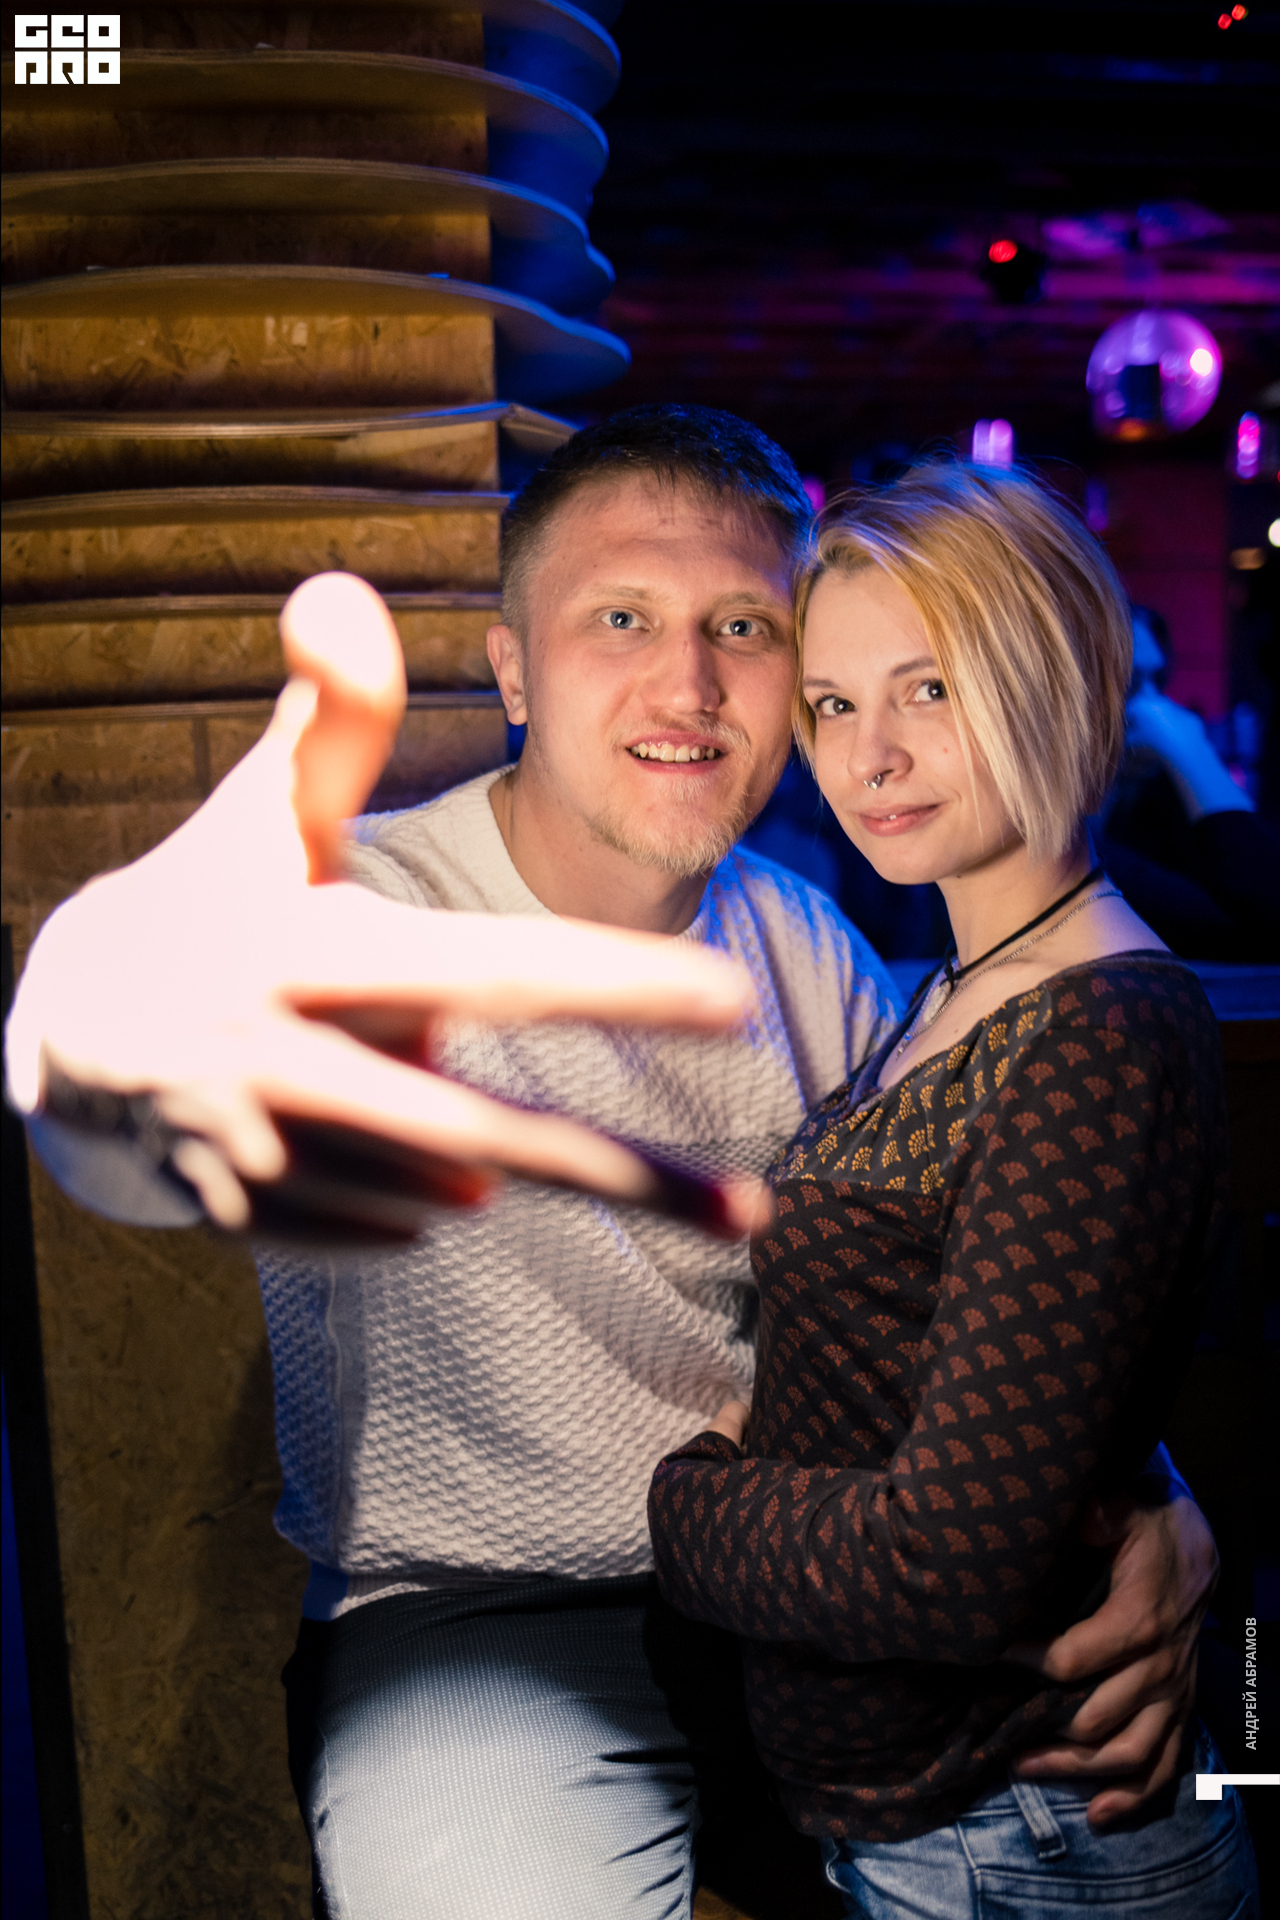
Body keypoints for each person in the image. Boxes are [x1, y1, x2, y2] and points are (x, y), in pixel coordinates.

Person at [7, 410, 1221, 1920]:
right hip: (484, 1621)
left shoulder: (817, 949)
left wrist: (1158, 1504)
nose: (688, 684)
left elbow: (982, 1289)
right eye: (622, 620)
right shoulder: (357, 910)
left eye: (742, 629)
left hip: (820, 1617)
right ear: (514, 671)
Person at [648, 460, 1260, 1917]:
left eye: (927, 689)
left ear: (1050, 675)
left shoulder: (1097, 1033)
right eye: (833, 705)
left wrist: (682, 1508)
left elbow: (944, 1564)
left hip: (1029, 1842)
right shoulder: (965, 982)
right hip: (945, 1832)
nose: (870, 756)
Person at [1094, 605, 1280, 960]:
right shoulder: (1057, 847)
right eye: (1131, 685)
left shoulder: (1161, 802)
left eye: (1158, 682)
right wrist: (1194, 753)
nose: (1156, 709)